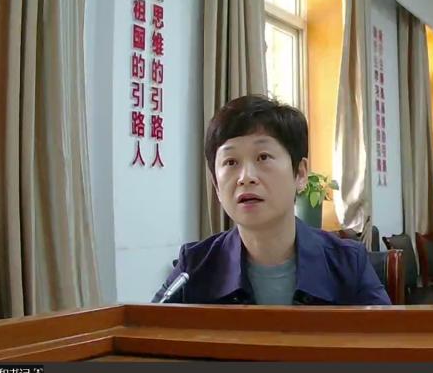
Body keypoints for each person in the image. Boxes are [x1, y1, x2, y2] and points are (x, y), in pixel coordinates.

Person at [152, 95, 390, 305]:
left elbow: (387, 339)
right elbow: (147, 332)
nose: (246, 177)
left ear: (300, 174)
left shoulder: (348, 263)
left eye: (263, 157)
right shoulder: (194, 268)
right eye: (231, 162)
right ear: (216, 185)